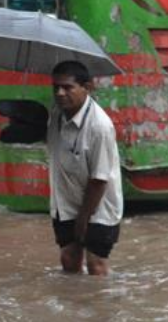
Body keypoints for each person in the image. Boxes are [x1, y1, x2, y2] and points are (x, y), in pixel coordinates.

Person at [45, 60, 123, 276]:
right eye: (56, 88)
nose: (60, 93)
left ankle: (100, 306)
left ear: (87, 88)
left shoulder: (99, 126)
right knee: (69, 259)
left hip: (99, 207)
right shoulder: (56, 115)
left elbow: (99, 180)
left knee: (96, 264)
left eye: (67, 87)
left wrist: (83, 219)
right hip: (67, 200)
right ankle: (73, 305)